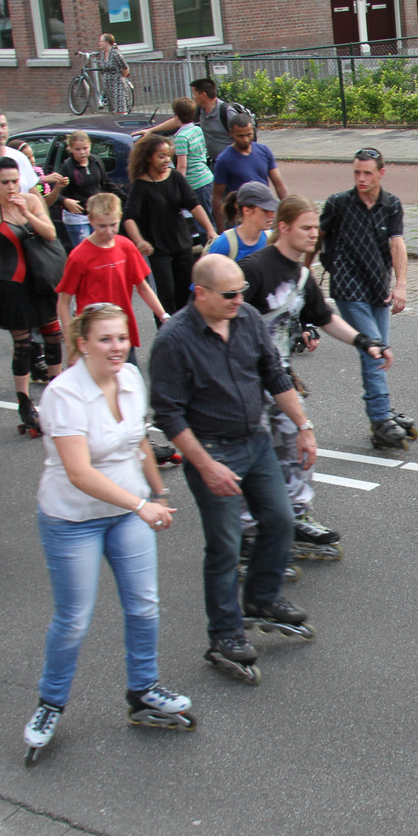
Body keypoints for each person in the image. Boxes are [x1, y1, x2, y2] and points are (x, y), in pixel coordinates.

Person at [21, 304, 195, 763]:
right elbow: (78, 472)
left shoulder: (131, 378)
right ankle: (50, 703)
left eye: (121, 337)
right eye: (105, 339)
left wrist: (157, 492)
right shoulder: (64, 394)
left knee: (143, 605)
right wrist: (141, 505)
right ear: (82, 344)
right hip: (72, 520)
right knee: (73, 619)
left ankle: (143, 690)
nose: (117, 347)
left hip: (127, 512)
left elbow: (138, 442)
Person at [148, 254, 320, 685]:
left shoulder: (246, 319)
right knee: (225, 546)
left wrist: (303, 427)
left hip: (254, 440)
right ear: (200, 293)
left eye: (242, 291)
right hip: (210, 449)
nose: (239, 299)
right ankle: (223, 634)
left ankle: (261, 598)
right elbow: (168, 414)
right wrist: (206, 466)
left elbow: (274, 375)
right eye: (229, 294)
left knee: (280, 520)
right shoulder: (174, 340)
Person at [240, 195, 393, 556]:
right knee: (253, 454)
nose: (314, 234)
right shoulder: (254, 270)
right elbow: (224, 317)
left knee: (298, 445)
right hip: (246, 380)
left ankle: (296, 516)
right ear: (283, 227)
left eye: (315, 228)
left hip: (280, 379)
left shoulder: (302, 275)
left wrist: (365, 342)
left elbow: (324, 317)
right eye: (306, 227)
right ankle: (246, 532)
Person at [316, 149, 413, 450]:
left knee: (379, 351)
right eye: (357, 172)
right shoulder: (339, 203)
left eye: (367, 173)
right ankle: (380, 417)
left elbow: (397, 244)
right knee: (373, 350)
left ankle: (380, 409)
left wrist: (401, 285)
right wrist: (303, 274)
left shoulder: (391, 205)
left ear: (381, 173)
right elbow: (317, 237)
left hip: (378, 288)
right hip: (348, 288)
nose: (361, 178)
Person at [0, 157, 65, 433]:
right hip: (12, 285)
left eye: (15, 181)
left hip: (40, 282)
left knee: (53, 336)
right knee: (23, 345)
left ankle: (56, 395)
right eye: (5, 182)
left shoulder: (30, 201)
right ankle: (24, 402)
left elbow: (50, 233)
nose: (11, 187)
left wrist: (27, 213)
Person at [56, 193, 167, 362]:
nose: (108, 231)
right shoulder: (79, 256)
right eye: (102, 226)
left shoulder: (126, 246)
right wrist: (72, 345)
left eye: (113, 225)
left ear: (120, 217)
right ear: (90, 220)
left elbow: (143, 287)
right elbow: (63, 302)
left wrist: (163, 316)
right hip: (94, 336)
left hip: (121, 333)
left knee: (129, 376)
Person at [123, 134, 216, 314]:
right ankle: (167, 328)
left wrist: (210, 229)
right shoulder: (141, 185)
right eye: (161, 156)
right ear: (148, 157)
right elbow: (129, 218)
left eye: (168, 155)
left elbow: (194, 204)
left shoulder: (175, 177)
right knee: (166, 297)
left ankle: (189, 328)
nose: (167, 160)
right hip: (158, 251)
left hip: (182, 245)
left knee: (188, 294)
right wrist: (140, 241)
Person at [212, 117, 288, 228]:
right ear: (231, 133)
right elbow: (217, 197)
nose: (246, 139)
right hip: (242, 218)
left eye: (249, 135)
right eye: (240, 136)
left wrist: (289, 211)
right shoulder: (224, 160)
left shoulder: (264, 151)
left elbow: (279, 185)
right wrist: (221, 229)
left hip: (266, 211)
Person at [133, 78, 234, 161]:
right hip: (217, 163)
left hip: (232, 163)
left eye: (194, 94)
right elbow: (179, 121)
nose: (193, 97)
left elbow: (241, 138)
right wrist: (151, 130)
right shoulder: (200, 110)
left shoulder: (226, 112)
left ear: (203, 95)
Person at [46, 130, 117, 248]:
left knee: (100, 247)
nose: (82, 152)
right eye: (77, 149)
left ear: (90, 146)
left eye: (85, 148)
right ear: (71, 149)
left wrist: (125, 198)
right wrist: (65, 201)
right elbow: (53, 191)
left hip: (96, 213)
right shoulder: (67, 167)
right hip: (77, 217)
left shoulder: (95, 161)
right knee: (86, 249)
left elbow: (106, 183)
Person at [170, 97, 216, 232]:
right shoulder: (197, 130)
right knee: (210, 217)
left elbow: (182, 165)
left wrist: (179, 186)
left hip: (196, 183)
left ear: (176, 117)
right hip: (207, 178)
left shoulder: (181, 137)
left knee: (203, 224)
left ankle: (209, 243)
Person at [206, 181, 278, 262]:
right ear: (247, 210)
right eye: (265, 210)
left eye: (272, 210)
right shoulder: (223, 244)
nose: (272, 215)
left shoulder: (273, 240)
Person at [90, 33, 131, 113]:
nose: (99, 43)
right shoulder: (103, 54)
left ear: (107, 42)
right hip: (108, 85)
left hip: (117, 84)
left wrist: (120, 78)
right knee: (113, 109)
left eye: (101, 41)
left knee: (120, 108)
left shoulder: (115, 53)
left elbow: (125, 67)